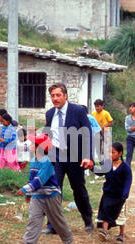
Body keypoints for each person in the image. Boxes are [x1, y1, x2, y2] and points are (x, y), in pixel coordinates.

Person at [43, 83, 94, 234]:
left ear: (65, 96)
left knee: (78, 189)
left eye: (58, 95)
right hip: (56, 156)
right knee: (54, 189)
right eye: (52, 95)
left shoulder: (77, 111)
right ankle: (52, 225)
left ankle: (88, 219)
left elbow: (87, 133)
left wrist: (87, 156)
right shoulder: (50, 113)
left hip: (74, 157)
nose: (55, 98)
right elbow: (48, 133)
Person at [15, 134, 73, 244]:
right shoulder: (33, 160)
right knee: (34, 219)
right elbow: (32, 179)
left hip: (51, 195)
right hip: (37, 195)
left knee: (57, 220)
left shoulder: (47, 162)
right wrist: (29, 194)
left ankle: (68, 241)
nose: (30, 145)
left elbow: (39, 180)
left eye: (33, 144)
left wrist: (25, 190)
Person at [96, 142, 132, 244]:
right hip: (108, 193)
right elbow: (99, 172)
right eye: (109, 152)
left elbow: (128, 182)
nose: (110, 155)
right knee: (105, 210)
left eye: (113, 152)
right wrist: (90, 166)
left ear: (120, 153)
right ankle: (104, 231)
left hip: (120, 196)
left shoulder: (125, 168)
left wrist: (125, 195)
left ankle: (121, 234)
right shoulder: (107, 164)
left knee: (120, 215)